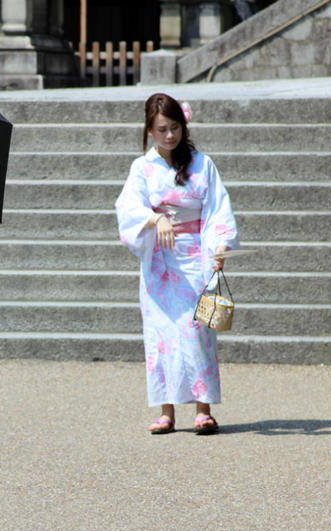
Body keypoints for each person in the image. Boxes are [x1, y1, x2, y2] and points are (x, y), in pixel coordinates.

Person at [115, 93, 239, 435]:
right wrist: (155, 221)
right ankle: (166, 411)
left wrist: (219, 247)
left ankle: (203, 408)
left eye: (174, 128)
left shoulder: (203, 164)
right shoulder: (142, 168)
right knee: (161, 334)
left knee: (198, 331)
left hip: (195, 256)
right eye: (161, 129)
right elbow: (128, 209)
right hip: (159, 262)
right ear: (149, 131)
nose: (169, 136)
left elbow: (217, 210)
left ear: (183, 126)